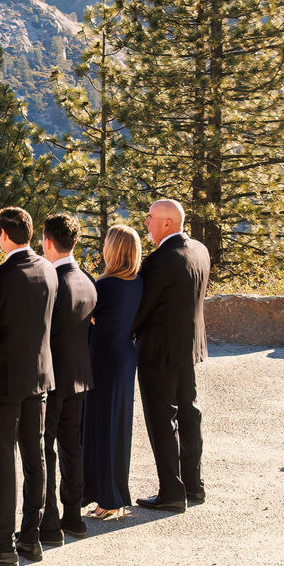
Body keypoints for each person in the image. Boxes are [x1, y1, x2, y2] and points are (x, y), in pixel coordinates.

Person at [0, 206, 56, 566]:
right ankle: (31, 537)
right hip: (38, 378)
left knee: (2, 462)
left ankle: (3, 543)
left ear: (4, 235)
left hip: (3, 383)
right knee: (34, 456)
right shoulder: (49, 271)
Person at [133, 200, 211, 511]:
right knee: (189, 415)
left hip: (158, 352)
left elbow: (141, 311)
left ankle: (171, 493)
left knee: (162, 421)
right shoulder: (199, 250)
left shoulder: (159, 261)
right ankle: (194, 486)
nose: (146, 224)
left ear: (167, 223)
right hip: (188, 348)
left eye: (150, 218)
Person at [39, 213, 97, 542]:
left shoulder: (52, 282)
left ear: (48, 242)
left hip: (52, 378)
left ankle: (49, 523)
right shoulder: (86, 280)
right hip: (80, 375)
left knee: (45, 448)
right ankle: (73, 517)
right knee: (71, 447)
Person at [83, 224, 144, 516]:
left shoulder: (104, 285)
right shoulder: (137, 283)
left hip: (104, 359)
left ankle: (108, 499)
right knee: (117, 427)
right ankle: (113, 495)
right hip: (125, 356)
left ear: (114, 249)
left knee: (101, 427)